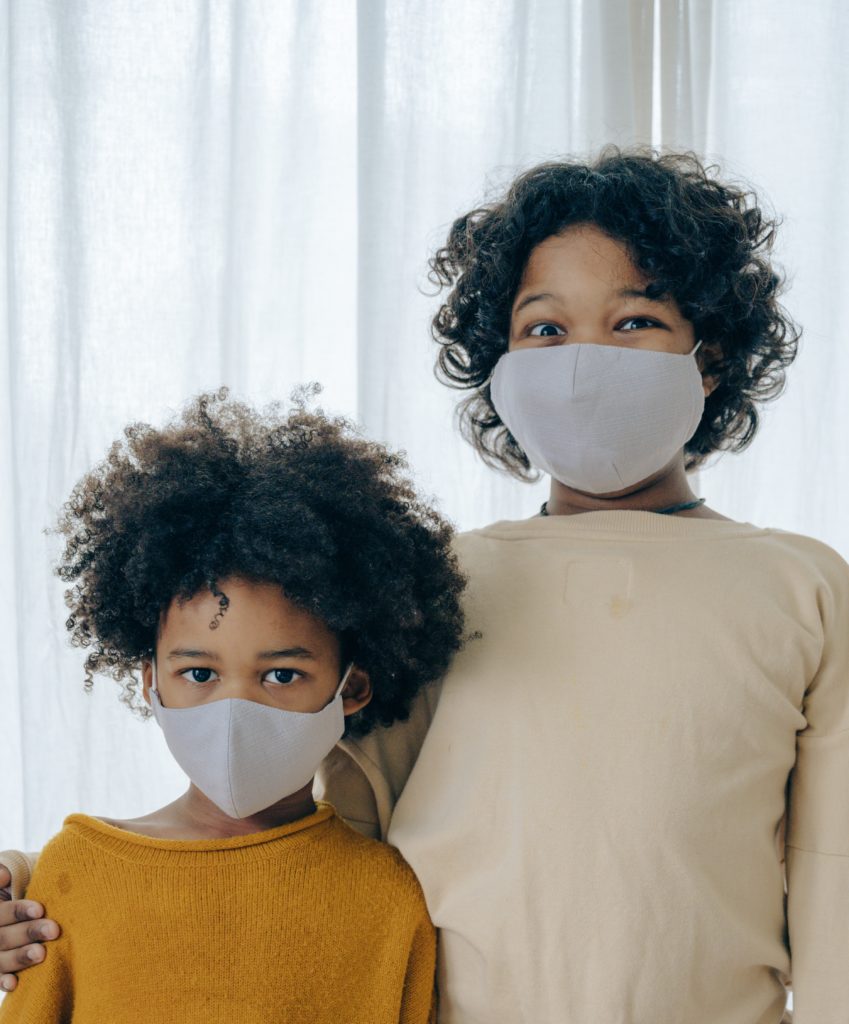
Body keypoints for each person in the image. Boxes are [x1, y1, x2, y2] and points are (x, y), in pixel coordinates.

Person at [2, 149, 846, 1024]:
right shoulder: (436, 584)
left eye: (633, 321)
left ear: (710, 359)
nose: (584, 363)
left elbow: (836, 872)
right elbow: (291, 825)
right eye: (545, 330)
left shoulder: (802, 589)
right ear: (498, 366)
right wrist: (48, 889)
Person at [0, 390, 466, 1022]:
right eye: (198, 672)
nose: (234, 709)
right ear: (149, 681)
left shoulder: (387, 896)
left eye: (281, 673)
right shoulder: (76, 872)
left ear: (351, 687)